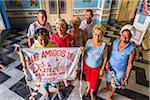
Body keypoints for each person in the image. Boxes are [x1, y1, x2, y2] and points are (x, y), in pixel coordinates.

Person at [99, 24, 136, 100]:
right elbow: (110, 52)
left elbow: (129, 64)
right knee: (108, 79)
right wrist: (107, 62)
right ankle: (107, 87)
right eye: (123, 35)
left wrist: (126, 77)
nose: (124, 38)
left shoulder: (132, 49)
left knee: (115, 84)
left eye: (127, 37)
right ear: (121, 35)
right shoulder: (115, 42)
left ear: (130, 38)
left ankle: (111, 94)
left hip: (120, 71)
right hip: (110, 67)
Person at [84, 24, 108, 100]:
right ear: (92, 33)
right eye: (95, 34)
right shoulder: (88, 42)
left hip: (96, 67)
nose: (97, 37)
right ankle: (88, 88)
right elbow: (84, 52)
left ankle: (91, 92)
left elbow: (105, 58)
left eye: (99, 35)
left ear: (102, 35)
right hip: (87, 65)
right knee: (88, 79)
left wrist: (102, 69)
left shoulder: (104, 45)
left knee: (93, 82)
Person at [50, 19, 73, 87]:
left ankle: (65, 79)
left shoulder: (69, 36)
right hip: (57, 58)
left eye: (62, 27)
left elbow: (71, 46)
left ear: (65, 27)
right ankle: (57, 80)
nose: (60, 29)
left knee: (65, 69)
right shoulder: (53, 36)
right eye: (57, 28)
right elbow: (50, 48)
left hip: (66, 57)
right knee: (58, 70)